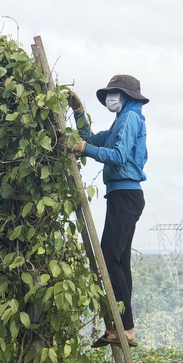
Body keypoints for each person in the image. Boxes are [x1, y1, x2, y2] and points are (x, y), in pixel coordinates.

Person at [67, 75, 148, 347]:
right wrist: (79, 112)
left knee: (110, 257)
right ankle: (120, 326)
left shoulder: (131, 118)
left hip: (126, 194)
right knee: (118, 260)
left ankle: (125, 328)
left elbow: (118, 155)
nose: (111, 98)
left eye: (115, 93)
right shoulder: (120, 122)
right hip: (120, 195)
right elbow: (90, 138)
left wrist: (85, 149)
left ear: (125, 96)